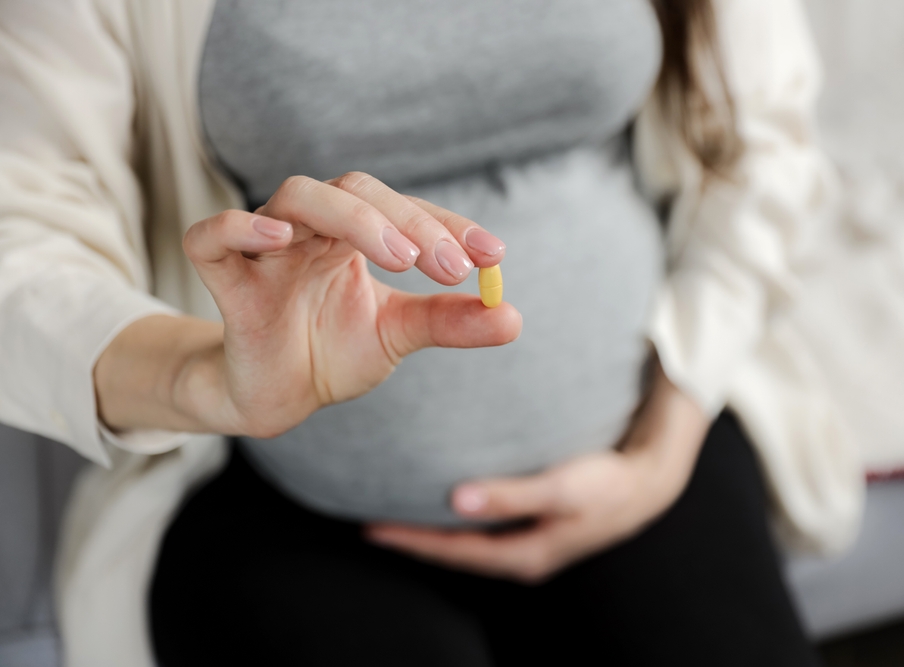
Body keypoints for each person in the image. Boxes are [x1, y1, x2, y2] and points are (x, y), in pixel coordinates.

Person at [0, 0, 855, 665]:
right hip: (280, 510)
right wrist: (209, 378)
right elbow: (19, 235)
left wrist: (661, 454)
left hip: (648, 450)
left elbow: (765, 144)